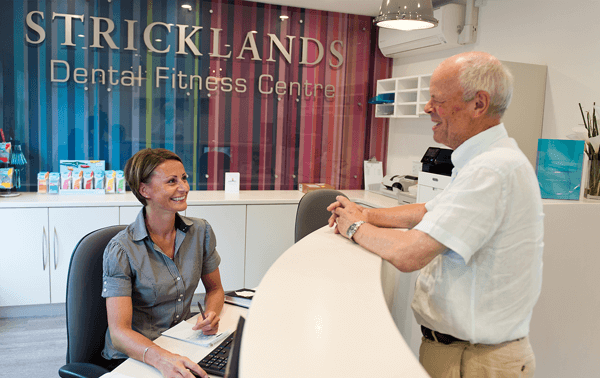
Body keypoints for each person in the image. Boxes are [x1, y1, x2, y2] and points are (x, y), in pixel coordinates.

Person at [328, 52, 543, 378]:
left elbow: (410, 253)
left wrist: (353, 225)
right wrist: (369, 217)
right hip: (463, 355)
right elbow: (429, 210)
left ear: (478, 104)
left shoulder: (492, 169)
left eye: (437, 100)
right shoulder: (483, 160)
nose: (427, 108)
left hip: (475, 362)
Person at [101, 148, 225, 378]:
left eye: (184, 178)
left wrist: (211, 314)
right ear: (144, 189)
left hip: (180, 344)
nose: (184, 188)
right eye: (171, 181)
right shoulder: (121, 249)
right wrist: (161, 357)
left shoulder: (201, 232)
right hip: (135, 357)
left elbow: (216, 289)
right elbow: (119, 333)